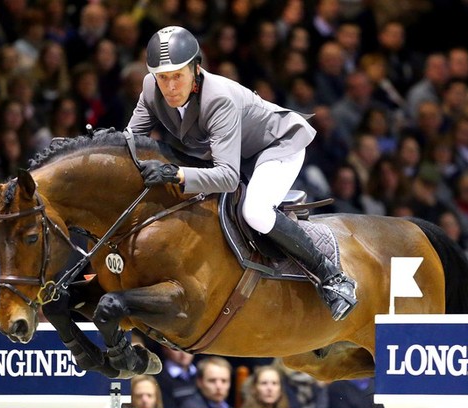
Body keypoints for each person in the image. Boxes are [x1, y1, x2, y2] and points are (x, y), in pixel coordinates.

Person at [127, 26, 356, 322]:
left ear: (196, 69)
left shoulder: (217, 98)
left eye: (177, 76)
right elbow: (131, 141)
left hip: (275, 146)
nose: (169, 86)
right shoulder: (150, 88)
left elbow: (226, 177)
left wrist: (176, 174)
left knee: (255, 212)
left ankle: (332, 277)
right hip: (233, 155)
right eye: (162, 77)